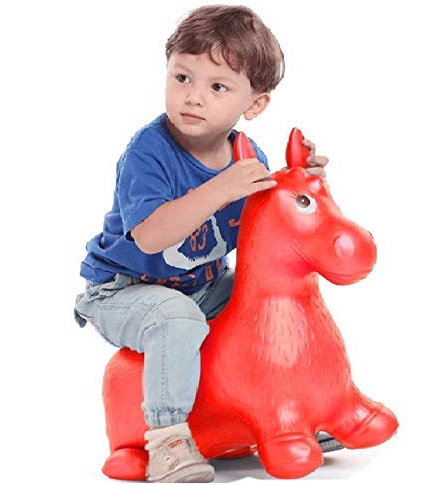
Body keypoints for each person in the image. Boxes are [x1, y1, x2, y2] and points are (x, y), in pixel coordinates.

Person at [74, 5, 334, 483]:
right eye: (183, 78)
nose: (193, 97)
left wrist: (299, 180)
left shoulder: (246, 156)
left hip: (202, 284)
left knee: (272, 307)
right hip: (123, 289)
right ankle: (167, 438)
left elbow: (265, 222)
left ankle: (288, 410)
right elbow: (151, 234)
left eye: (218, 87)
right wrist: (220, 189)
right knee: (176, 318)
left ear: (255, 104)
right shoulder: (148, 152)